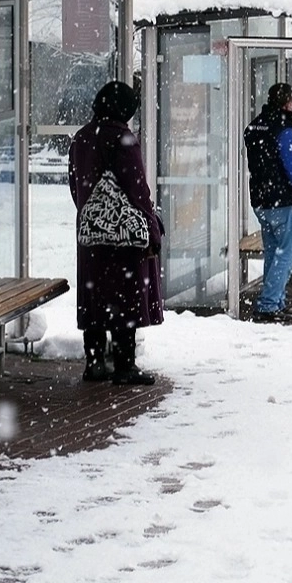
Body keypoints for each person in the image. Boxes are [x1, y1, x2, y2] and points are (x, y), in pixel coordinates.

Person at [69, 81, 163, 385]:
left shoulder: (82, 138)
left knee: (95, 295)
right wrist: (151, 226)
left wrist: (93, 214)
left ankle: (94, 362)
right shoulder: (122, 138)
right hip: (124, 236)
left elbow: (76, 185)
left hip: (91, 233)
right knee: (126, 296)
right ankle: (125, 365)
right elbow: (137, 189)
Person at [244, 83, 292, 320]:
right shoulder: (284, 130)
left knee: (274, 252)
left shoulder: (256, 125)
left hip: (262, 201)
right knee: (286, 254)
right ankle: (268, 304)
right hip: (283, 200)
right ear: (288, 102)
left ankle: (276, 301)